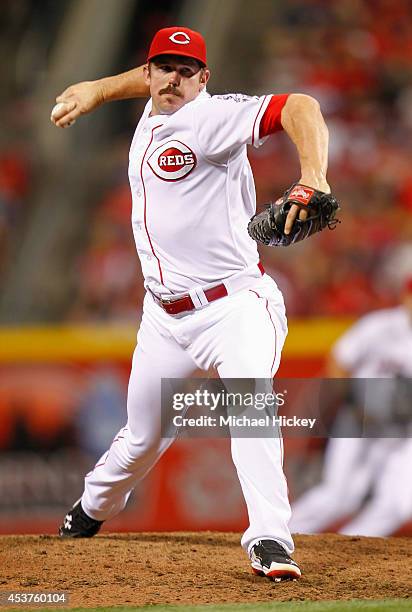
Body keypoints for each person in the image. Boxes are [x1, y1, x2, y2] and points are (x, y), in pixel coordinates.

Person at [53, 26, 331, 581]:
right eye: (164, 67)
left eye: (187, 70)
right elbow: (145, 80)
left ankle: (271, 539)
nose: (172, 79)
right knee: (140, 440)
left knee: (250, 407)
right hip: (163, 317)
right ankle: (89, 511)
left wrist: (313, 177)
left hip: (234, 307)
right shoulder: (157, 99)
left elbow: (299, 105)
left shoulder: (210, 116)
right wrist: (99, 90)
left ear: (205, 79)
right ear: (151, 70)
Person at [290, 276, 412, 536]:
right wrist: (351, 400)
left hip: (403, 434)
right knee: (338, 497)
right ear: (405, 297)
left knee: (400, 504)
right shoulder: (381, 327)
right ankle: (283, 534)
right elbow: (340, 359)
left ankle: (352, 546)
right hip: (359, 421)